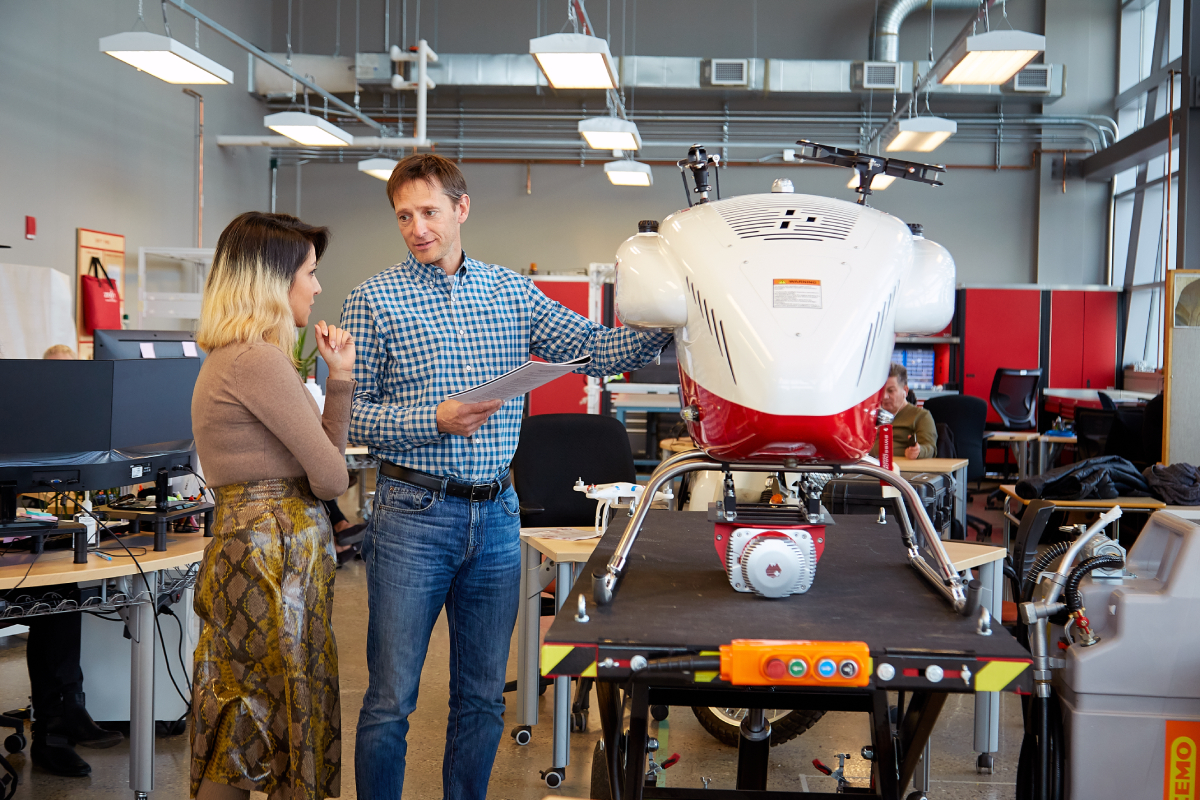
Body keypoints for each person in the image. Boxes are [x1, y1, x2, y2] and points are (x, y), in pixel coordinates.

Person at [341, 153, 672, 800]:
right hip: (412, 512)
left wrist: (672, 323)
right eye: (404, 216)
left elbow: (594, 350)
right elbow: (351, 414)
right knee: (390, 699)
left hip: (497, 516)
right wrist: (434, 417)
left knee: (482, 697)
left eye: (429, 212)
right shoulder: (373, 299)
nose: (417, 228)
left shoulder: (510, 292)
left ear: (461, 208)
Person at [189, 211, 355, 800]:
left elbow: (320, 467)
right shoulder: (258, 360)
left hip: (251, 549)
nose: (316, 286)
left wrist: (339, 380)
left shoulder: (232, 357)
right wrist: (339, 388)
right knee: (280, 707)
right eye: (310, 273)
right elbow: (332, 477)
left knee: (245, 713)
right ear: (273, 281)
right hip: (273, 557)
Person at [19, 343, 125, 777]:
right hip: (17, 551)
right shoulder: (20, 424)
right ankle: (61, 721)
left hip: (45, 552)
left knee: (60, 596)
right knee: (55, 595)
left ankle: (61, 725)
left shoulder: (78, 429)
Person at [871, 363, 936, 460]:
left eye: (891, 391)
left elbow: (930, 448)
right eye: (882, 391)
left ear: (905, 390)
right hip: (870, 468)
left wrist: (918, 451)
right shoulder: (871, 415)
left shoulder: (921, 416)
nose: (885, 396)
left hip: (902, 470)